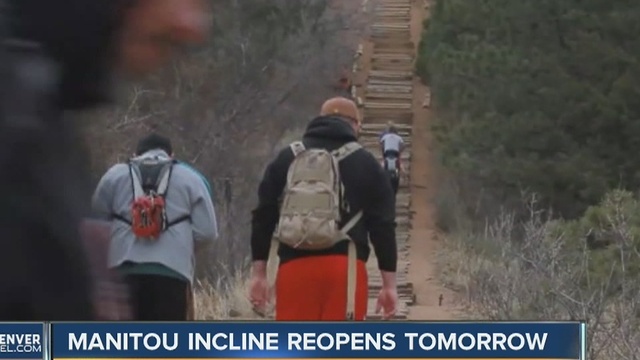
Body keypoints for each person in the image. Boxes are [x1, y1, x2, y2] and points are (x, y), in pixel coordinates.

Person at [0, 0, 210, 320]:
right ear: (170, 153)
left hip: (127, 262)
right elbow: (207, 230)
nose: (194, 25)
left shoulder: (50, 117)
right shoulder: (23, 116)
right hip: (172, 267)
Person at [249, 97, 398, 321]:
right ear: (355, 125)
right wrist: (389, 286)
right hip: (346, 270)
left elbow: (263, 216)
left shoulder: (287, 157)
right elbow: (383, 226)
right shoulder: (365, 162)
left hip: (293, 269)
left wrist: (259, 274)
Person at [91, 133, 218, 321]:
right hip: (172, 275)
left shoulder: (114, 176)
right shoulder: (191, 178)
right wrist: (181, 247)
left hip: (123, 274)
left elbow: (97, 222)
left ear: (135, 154)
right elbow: (208, 232)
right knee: (166, 346)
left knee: (125, 347)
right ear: (171, 155)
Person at [380, 123, 405, 195]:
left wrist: (383, 154)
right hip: (395, 154)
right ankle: (404, 176)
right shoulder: (399, 137)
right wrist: (400, 152)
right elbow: (403, 146)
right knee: (400, 165)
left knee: (381, 167)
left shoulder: (385, 137)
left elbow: (381, 145)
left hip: (387, 154)